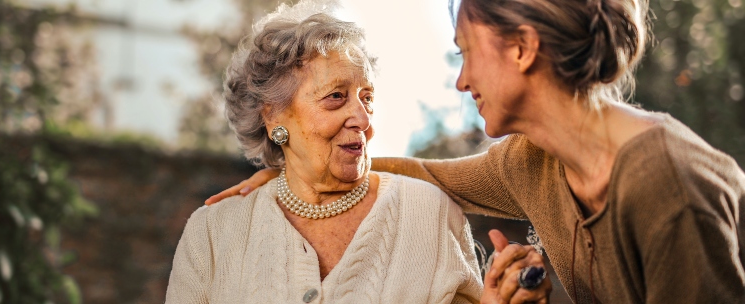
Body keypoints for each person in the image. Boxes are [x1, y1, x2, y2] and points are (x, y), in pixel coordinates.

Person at [206, 0, 745, 302]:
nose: (462, 81)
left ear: (522, 48)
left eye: (466, 53)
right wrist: (298, 172)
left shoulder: (667, 184)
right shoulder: (531, 161)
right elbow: (428, 175)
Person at [167, 1, 552, 303]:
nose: (362, 118)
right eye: (336, 97)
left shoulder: (429, 212)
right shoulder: (213, 233)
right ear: (273, 116)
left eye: (367, 98)